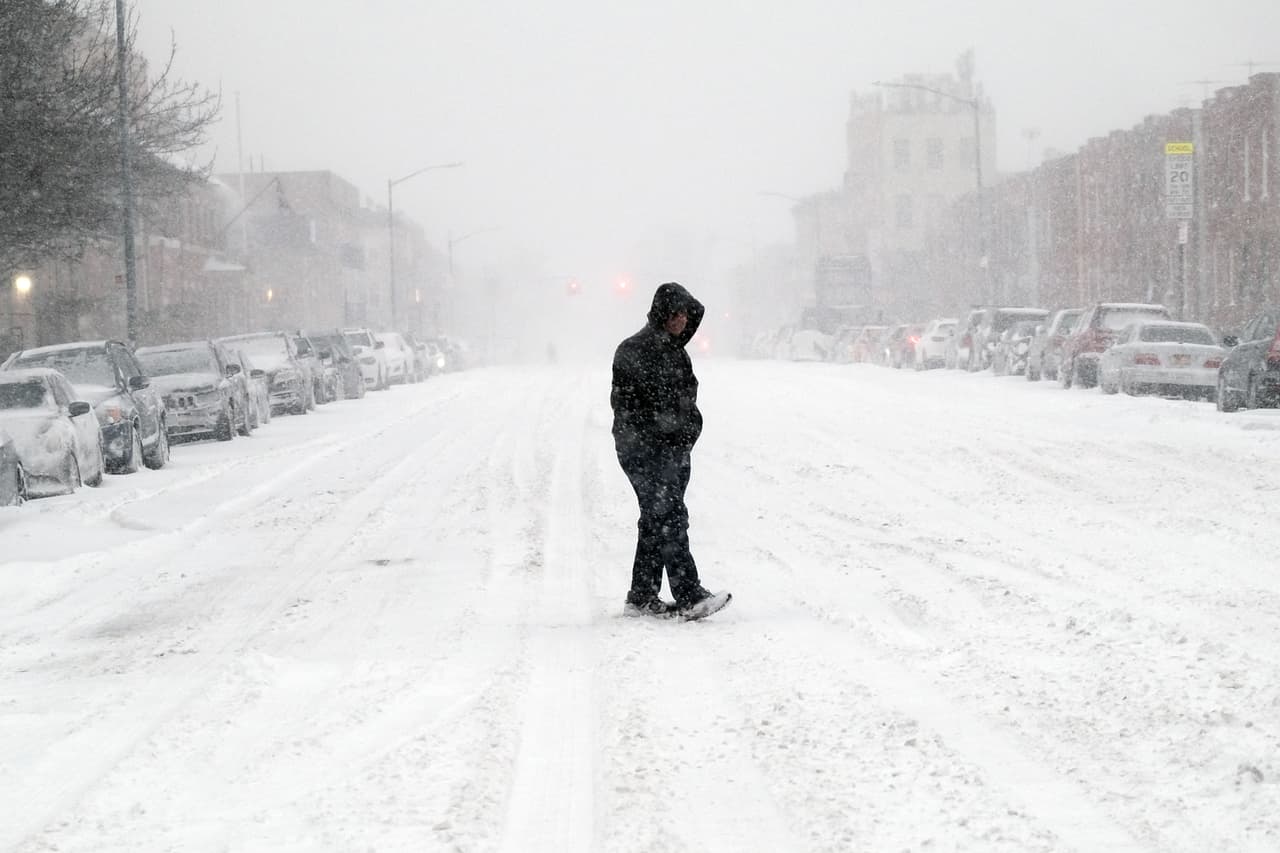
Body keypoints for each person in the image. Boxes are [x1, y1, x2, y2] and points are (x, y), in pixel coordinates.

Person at [610, 282, 731, 620]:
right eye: (676, 314)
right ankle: (689, 594)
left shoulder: (677, 354)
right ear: (662, 314)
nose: (682, 321)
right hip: (642, 452)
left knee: (656, 518)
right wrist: (659, 432)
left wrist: (687, 432)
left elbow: (687, 402)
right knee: (671, 516)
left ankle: (641, 596)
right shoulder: (633, 350)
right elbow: (626, 407)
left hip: (673, 452)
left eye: (686, 315)